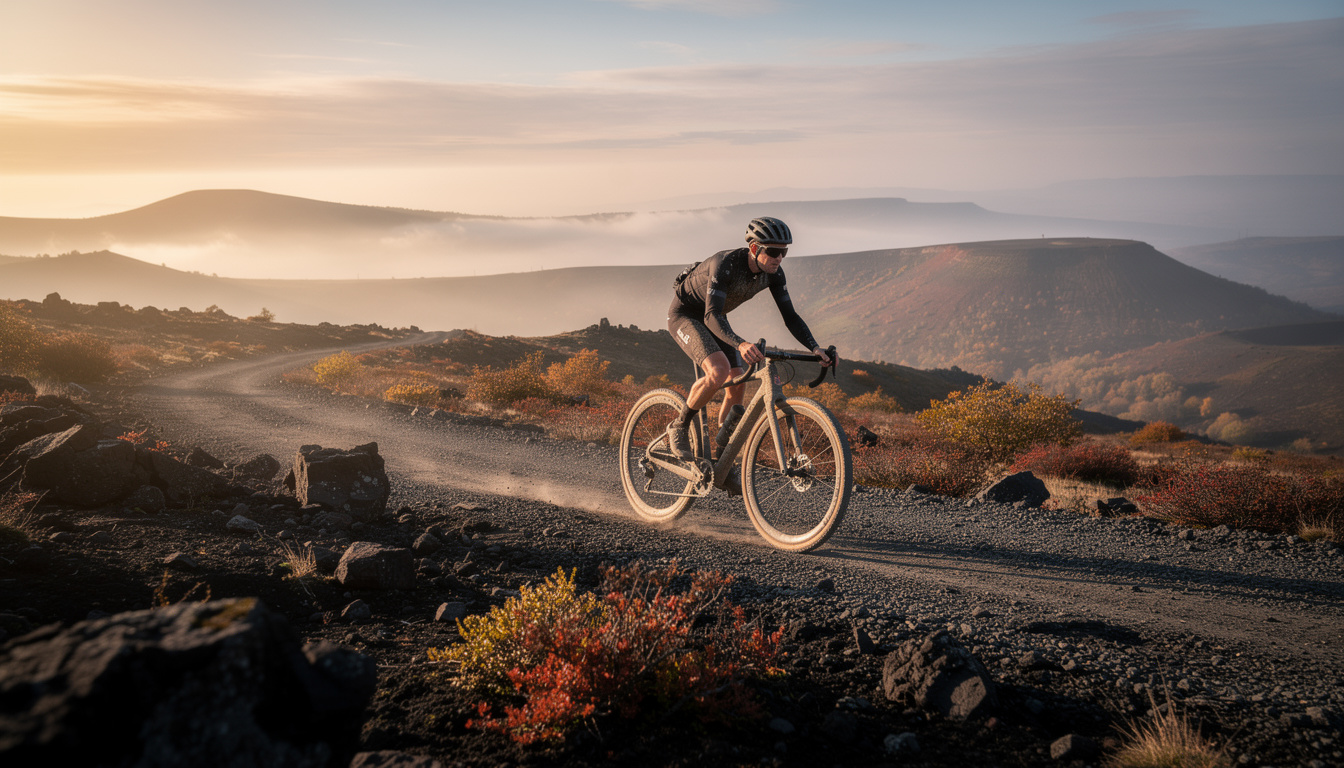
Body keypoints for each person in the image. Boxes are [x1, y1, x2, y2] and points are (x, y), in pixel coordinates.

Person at [665, 216, 834, 459]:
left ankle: (722, 460)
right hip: (687, 316)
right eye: (774, 251)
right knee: (718, 371)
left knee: (738, 382)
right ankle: (679, 426)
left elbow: (791, 317)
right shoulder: (724, 264)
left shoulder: (774, 273)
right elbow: (711, 315)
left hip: (715, 317)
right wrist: (740, 343)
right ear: (754, 248)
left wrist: (815, 348)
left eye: (784, 252)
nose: (779, 258)